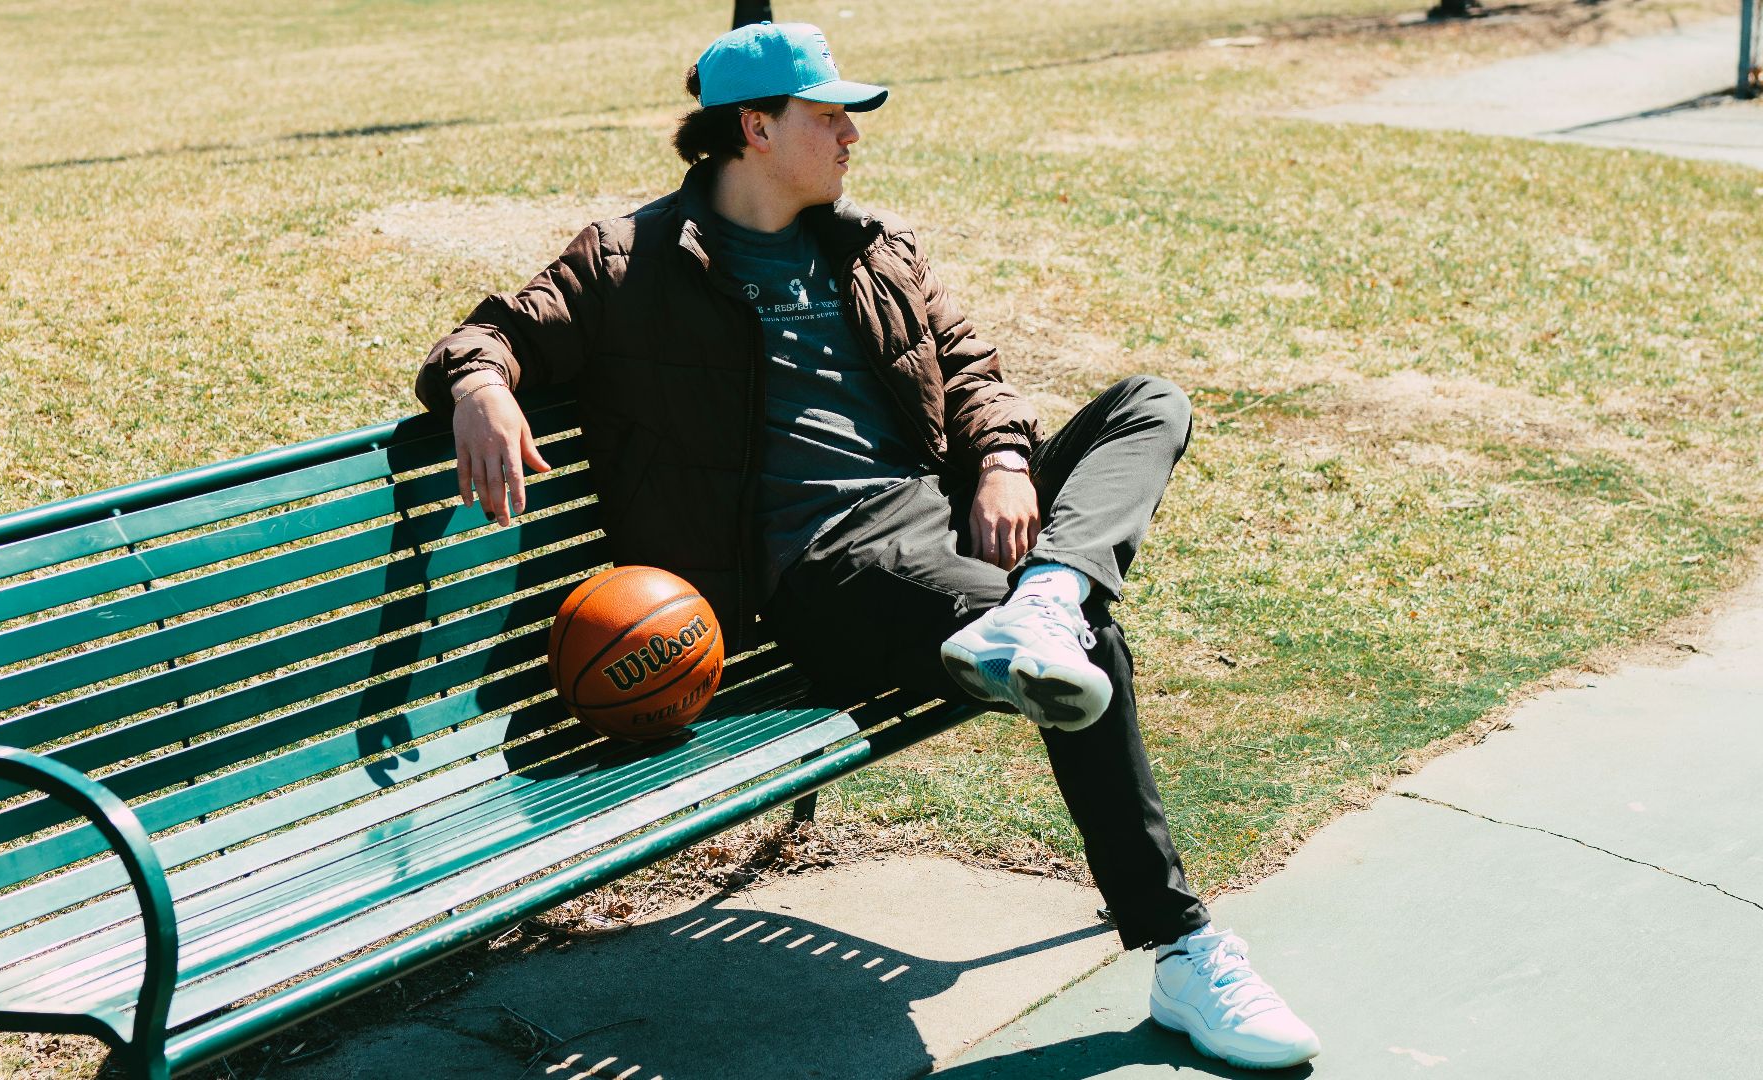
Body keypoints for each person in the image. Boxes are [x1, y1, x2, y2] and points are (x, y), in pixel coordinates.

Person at [415, 21, 1319, 1071]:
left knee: (1147, 405)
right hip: (825, 575)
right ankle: (1180, 946)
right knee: (1089, 648)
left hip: (941, 518)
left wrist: (1007, 464)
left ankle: (1050, 590)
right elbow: (485, 336)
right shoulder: (629, 261)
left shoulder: (873, 246)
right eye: (828, 113)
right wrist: (482, 386)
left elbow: (974, 371)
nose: (851, 133)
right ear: (754, 128)